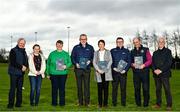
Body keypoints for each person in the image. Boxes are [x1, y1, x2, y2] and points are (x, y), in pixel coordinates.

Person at [46, 40, 72, 106]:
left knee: (62, 89)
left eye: (60, 44)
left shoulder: (66, 54)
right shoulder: (52, 54)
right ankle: (54, 103)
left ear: (62, 45)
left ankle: (62, 103)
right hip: (53, 74)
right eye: (57, 44)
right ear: (56, 45)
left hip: (63, 74)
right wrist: (48, 73)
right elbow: (48, 64)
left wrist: (66, 66)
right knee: (54, 89)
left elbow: (70, 62)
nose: (59, 46)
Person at [71, 34, 94, 106]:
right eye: (82, 39)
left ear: (86, 39)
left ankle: (87, 102)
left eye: (84, 39)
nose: (83, 40)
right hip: (78, 70)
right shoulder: (76, 47)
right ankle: (80, 102)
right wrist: (76, 64)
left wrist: (90, 61)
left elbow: (93, 57)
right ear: (79, 39)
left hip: (87, 70)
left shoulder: (90, 47)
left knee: (87, 86)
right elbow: (72, 57)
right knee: (79, 86)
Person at [152, 37, 173, 111]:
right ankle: (158, 104)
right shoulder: (155, 53)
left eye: (162, 42)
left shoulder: (168, 51)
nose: (160, 43)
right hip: (156, 74)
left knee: (167, 90)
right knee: (158, 90)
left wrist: (161, 70)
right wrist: (154, 70)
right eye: (159, 42)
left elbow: (169, 62)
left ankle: (169, 105)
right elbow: (153, 63)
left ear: (164, 43)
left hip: (165, 74)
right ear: (158, 43)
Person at [7, 38, 28, 108]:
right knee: (13, 89)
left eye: (23, 43)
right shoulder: (13, 50)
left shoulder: (24, 52)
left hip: (21, 73)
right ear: (18, 42)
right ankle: (10, 104)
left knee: (20, 89)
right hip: (13, 73)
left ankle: (18, 104)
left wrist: (26, 66)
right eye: (21, 43)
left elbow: (25, 61)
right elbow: (12, 62)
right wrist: (21, 67)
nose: (22, 44)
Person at [131, 37, 152, 107]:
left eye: (136, 42)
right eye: (134, 42)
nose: (135, 44)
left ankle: (146, 103)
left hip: (144, 72)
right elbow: (130, 62)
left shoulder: (146, 50)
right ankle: (138, 103)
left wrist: (144, 65)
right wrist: (132, 64)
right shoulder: (132, 51)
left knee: (146, 88)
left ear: (140, 42)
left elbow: (150, 60)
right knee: (137, 89)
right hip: (136, 73)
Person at [110, 37, 131, 106]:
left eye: (121, 41)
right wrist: (113, 68)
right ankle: (114, 103)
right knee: (114, 89)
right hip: (114, 73)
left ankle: (123, 103)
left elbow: (129, 61)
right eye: (118, 42)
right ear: (116, 43)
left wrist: (125, 70)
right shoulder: (112, 51)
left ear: (123, 42)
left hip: (123, 73)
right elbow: (110, 61)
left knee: (123, 88)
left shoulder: (127, 51)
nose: (119, 43)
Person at [93, 40, 113, 108]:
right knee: (99, 89)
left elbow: (110, 61)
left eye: (102, 44)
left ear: (104, 45)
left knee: (106, 89)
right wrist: (98, 70)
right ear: (98, 45)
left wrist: (106, 69)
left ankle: (105, 104)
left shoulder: (108, 52)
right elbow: (94, 62)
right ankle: (100, 104)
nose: (101, 45)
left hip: (106, 72)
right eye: (99, 44)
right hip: (98, 72)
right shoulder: (96, 53)